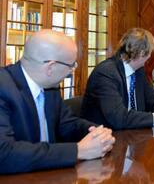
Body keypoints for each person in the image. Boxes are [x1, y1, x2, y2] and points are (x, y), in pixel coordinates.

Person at [0, 30, 115, 174]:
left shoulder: (50, 87)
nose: (71, 71)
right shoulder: (3, 86)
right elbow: (4, 154)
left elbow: (67, 124)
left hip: (51, 174)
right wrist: (78, 151)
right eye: (71, 65)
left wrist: (96, 132)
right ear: (51, 67)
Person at [81, 28, 154, 130]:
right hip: (104, 140)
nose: (149, 57)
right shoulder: (106, 73)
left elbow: (153, 100)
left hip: (133, 136)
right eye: (149, 53)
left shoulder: (138, 70)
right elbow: (119, 118)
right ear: (142, 53)